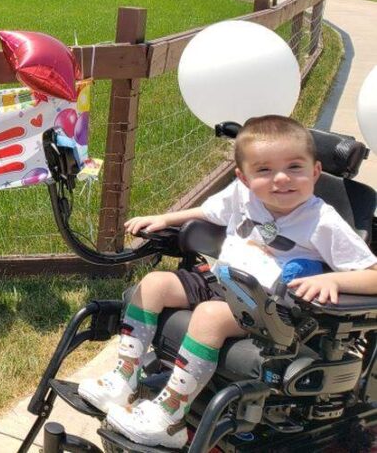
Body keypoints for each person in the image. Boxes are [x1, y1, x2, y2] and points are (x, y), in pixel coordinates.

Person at [76, 115, 377, 448]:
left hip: (269, 309)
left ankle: (169, 419)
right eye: (264, 171)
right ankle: (123, 379)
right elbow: (208, 214)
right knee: (154, 284)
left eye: (295, 167)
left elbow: (372, 275)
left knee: (209, 315)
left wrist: (334, 279)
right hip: (222, 282)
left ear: (316, 172)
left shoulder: (323, 221)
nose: (281, 179)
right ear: (243, 178)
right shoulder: (242, 195)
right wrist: (164, 219)